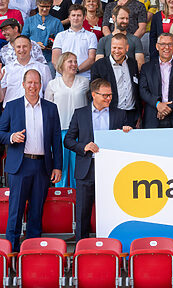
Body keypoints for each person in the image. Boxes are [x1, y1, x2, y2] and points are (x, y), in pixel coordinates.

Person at [0, 69, 62, 251]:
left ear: (41, 85)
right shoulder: (12, 106)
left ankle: (32, 252)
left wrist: (57, 167)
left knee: (36, 212)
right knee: (15, 212)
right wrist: (12, 137)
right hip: (20, 166)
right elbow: (0, 133)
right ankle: (11, 253)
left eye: (36, 83)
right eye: (29, 83)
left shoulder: (51, 108)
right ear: (23, 84)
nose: (33, 86)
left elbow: (56, 140)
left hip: (42, 166)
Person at [64, 78, 131, 241]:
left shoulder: (119, 114)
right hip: (86, 169)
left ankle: (112, 248)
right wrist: (84, 147)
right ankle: (81, 251)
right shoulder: (80, 114)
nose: (109, 98)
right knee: (82, 214)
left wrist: (128, 131)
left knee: (111, 212)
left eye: (110, 95)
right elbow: (68, 140)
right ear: (93, 95)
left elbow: (126, 142)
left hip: (110, 171)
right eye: (105, 95)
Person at [45, 52, 89, 188]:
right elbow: (47, 110)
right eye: (70, 61)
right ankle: (61, 199)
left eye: (75, 61)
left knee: (78, 168)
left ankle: (78, 199)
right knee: (60, 168)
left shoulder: (85, 82)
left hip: (79, 132)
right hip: (60, 131)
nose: (74, 64)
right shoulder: (53, 84)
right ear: (61, 64)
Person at [139, 33, 173, 128]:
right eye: (163, 44)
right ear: (157, 46)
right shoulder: (146, 68)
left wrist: (167, 108)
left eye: (170, 44)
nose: (166, 47)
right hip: (152, 117)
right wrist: (158, 104)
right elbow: (143, 91)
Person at [91, 34, 141, 128]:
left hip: (131, 114)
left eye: (120, 48)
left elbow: (136, 89)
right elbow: (94, 93)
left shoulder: (133, 63)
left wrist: (138, 114)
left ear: (127, 48)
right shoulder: (99, 66)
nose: (116, 51)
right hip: (110, 114)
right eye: (114, 47)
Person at [0, 35, 52, 105]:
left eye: (25, 46)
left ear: (30, 47)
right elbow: (0, 98)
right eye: (18, 47)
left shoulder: (43, 68)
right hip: (11, 112)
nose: (21, 50)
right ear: (14, 48)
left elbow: (48, 95)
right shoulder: (6, 70)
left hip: (35, 111)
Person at [52, 5, 98, 79]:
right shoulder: (60, 35)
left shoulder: (91, 36)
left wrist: (76, 70)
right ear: (69, 18)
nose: (76, 18)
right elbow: (55, 59)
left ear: (84, 18)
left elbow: (91, 59)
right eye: (73, 15)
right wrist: (65, 73)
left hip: (83, 78)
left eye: (79, 15)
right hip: (62, 78)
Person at [96, 5, 145, 70]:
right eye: (122, 18)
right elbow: (99, 65)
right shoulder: (103, 41)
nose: (125, 21)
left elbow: (140, 65)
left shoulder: (135, 40)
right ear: (113, 18)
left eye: (127, 18)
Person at [23, 0, 64, 66]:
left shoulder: (57, 22)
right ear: (37, 4)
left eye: (47, 6)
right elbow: (23, 39)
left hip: (50, 59)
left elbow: (62, 41)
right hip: (32, 59)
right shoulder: (29, 21)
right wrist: (34, 44)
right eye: (42, 6)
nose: (44, 9)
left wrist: (52, 44)